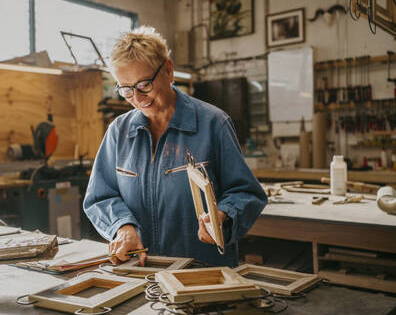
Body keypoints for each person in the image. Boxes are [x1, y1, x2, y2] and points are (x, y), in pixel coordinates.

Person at [83, 26, 267, 267]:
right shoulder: (119, 132)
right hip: (141, 270)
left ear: (168, 70)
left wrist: (223, 217)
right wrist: (122, 227)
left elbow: (246, 193)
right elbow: (100, 196)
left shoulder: (213, 124)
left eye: (144, 84)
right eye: (126, 89)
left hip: (203, 270)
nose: (137, 98)